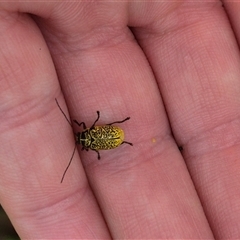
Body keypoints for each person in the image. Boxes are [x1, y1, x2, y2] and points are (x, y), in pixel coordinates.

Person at [0, 1, 239, 239]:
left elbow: (97, 134)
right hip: (112, 138)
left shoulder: (90, 142)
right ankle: (122, 137)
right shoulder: (90, 138)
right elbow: (97, 131)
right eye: (82, 136)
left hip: (113, 137)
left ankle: (123, 137)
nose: (81, 134)